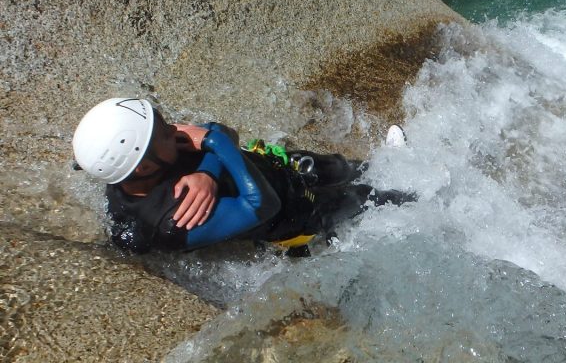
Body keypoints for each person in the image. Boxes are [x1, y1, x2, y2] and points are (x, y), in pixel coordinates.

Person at [72, 98, 412, 256]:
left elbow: (221, 130)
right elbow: (263, 204)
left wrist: (207, 172)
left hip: (268, 168)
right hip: (294, 216)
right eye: (162, 130)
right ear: (144, 166)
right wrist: (213, 144)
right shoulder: (172, 219)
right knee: (366, 197)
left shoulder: (140, 165)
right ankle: (426, 199)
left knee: (340, 166)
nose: (174, 128)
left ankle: (388, 161)